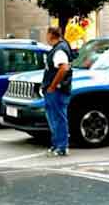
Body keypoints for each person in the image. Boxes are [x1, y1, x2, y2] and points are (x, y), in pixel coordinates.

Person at [42, 26, 74, 157]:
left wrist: (52, 86)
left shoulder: (60, 50)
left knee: (58, 118)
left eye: (47, 34)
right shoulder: (60, 48)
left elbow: (63, 68)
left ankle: (61, 147)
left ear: (51, 35)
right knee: (54, 118)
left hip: (57, 91)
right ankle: (56, 144)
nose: (46, 37)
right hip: (56, 90)